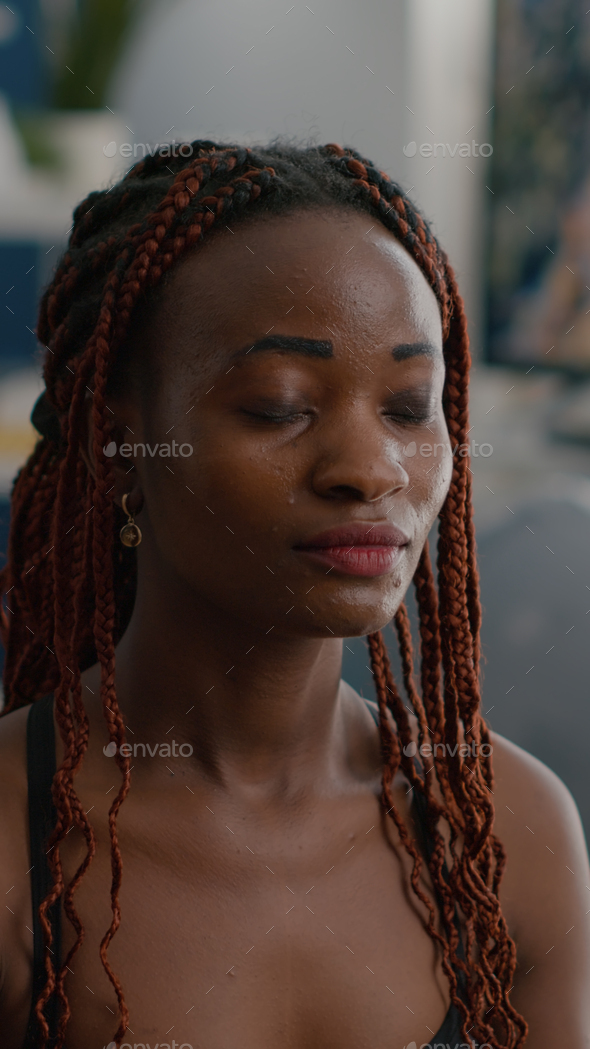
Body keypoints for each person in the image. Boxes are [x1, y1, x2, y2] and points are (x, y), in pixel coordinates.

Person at [0, 140, 588, 1049]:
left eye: (409, 404)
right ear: (120, 447)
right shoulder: (12, 844)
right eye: (280, 405)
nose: (370, 469)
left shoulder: (509, 829)